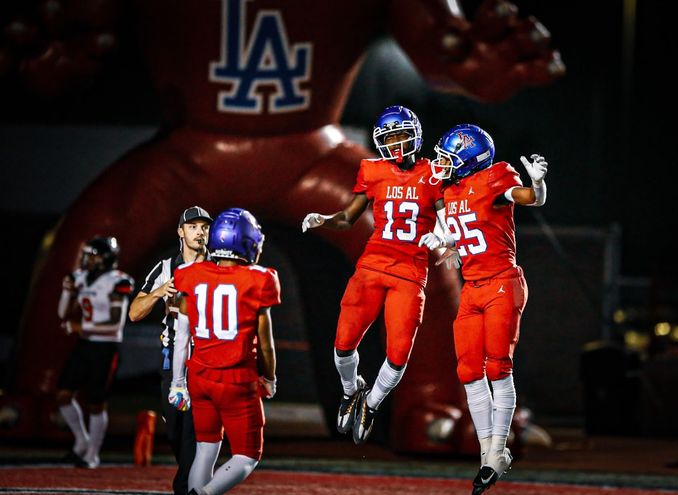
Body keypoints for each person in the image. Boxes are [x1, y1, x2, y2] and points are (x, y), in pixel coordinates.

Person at [10, 0, 563, 452]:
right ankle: (40, 388)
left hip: (293, 150)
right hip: (203, 156)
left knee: (415, 237)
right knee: (93, 235)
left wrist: (472, 54)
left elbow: (442, 46)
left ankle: (436, 399)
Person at [302, 105, 449, 444]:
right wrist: (323, 219)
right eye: (389, 138)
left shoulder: (432, 173)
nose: (396, 144)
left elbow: (447, 216)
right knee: (342, 345)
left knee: (398, 356)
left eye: (401, 136)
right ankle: (353, 390)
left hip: (410, 273)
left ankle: (371, 403)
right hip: (372, 265)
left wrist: (442, 235)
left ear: (416, 136)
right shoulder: (372, 170)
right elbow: (348, 217)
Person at [420, 123, 548, 493]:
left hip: (502, 284)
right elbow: (455, 232)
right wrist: (441, 241)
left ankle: (497, 450)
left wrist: (537, 183)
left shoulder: (495, 177)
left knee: (497, 366)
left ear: (468, 157)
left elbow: (529, 198)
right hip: (473, 288)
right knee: (468, 371)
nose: (441, 163)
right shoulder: (451, 191)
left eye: (448, 157)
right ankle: (486, 455)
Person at [170, 208, 280, 495]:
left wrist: (177, 381)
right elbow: (265, 342)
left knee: (206, 449)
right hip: (236, 380)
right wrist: (269, 378)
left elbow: (182, 336)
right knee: (247, 455)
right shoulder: (259, 279)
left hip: (199, 376)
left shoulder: (189, 274)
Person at [128, 206, 213, 495]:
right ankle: (191, 481)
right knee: (176, 431)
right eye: (193, 227)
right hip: (171, 361)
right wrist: (158, 292)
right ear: (180, 231)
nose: (200, 232)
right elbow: (134, 313)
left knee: (194, 433)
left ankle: (188, 488)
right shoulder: (165, 268)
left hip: (206, 361)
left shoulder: (220, 267)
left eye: (204, 227)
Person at [56, 236, 135, 468]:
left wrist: (81, 326)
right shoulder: (81, 278)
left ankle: (92, 454)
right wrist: (66, 291)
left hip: (105, 348)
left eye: (92, 255)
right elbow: (63, 314)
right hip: (84, 346)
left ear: (105, 258)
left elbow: (114, 325)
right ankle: (82, 440)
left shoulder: (117, 281)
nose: (87, 259)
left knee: (96, 402)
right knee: (62, 394)